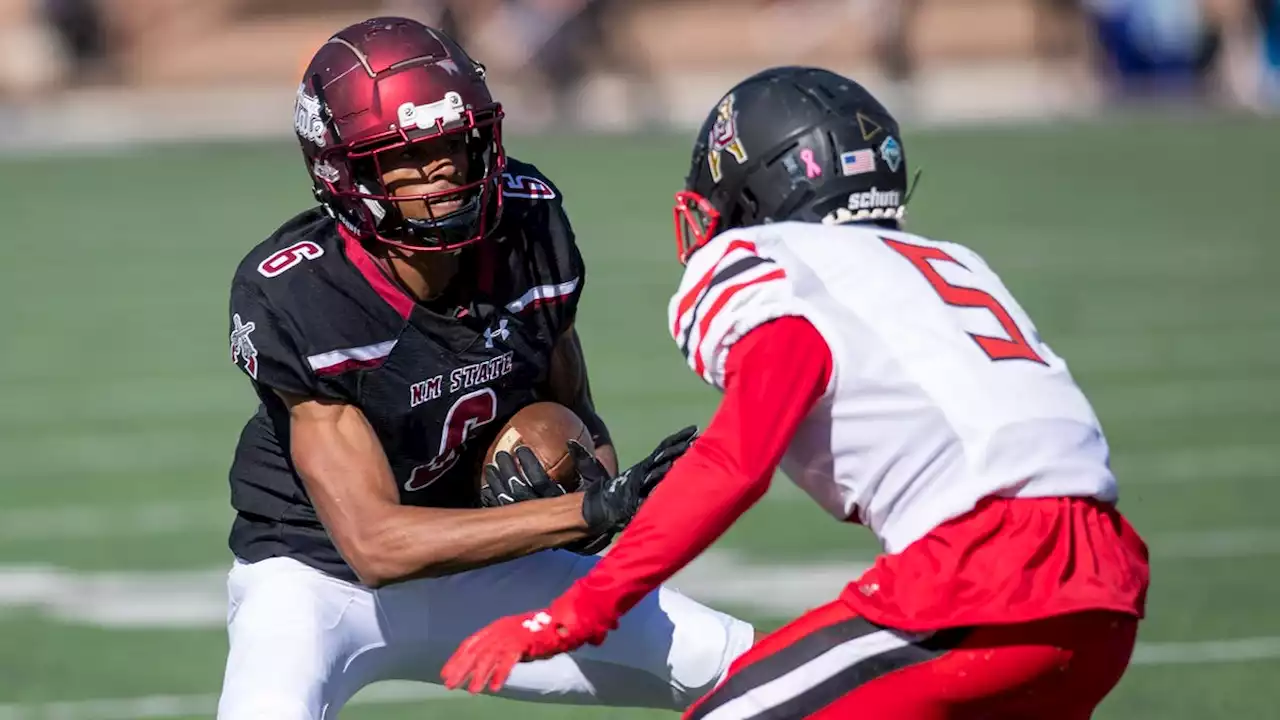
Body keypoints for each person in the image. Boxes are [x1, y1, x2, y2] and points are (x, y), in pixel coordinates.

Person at [442, 66, 1151, 719]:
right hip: (1107, 587)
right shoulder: (949, 263)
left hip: (981, 582)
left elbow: (736, 460)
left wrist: (580, 609)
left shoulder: (780, 265)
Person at [218, 17, 755, 719]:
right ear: (342, 172)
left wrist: (588, 492)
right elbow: (377, 546)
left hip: (489, 567)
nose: (441, 169)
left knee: (742, 665)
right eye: (405, 158)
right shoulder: (302, 292)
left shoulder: (528, 227)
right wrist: (583, 510)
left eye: (454, 144)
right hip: (316, 582)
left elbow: (579, 424)